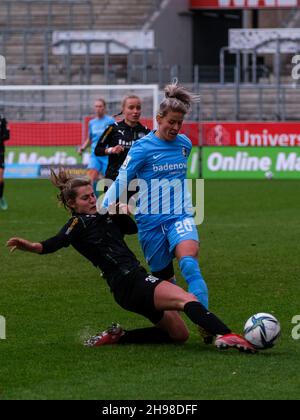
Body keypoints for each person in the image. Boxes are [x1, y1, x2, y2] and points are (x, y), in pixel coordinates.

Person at [6, 170, 256, 353]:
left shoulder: (105, 215)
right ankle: (226, 334)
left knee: (178, 335)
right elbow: (52, 244)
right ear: (72, 204)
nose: (92, 200)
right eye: (85, 198)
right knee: (187, 298)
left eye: (93, 195)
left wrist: (119, 211)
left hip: (127, 288)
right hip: (131, 280)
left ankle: (119, 336)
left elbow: (130, 229)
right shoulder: (77, 224)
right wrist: (30, 246)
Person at [102, 82, 209, 321]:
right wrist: (103, 207)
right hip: (149, 223)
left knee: (190, 263)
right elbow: (122, 180)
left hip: (179, 215)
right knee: (165, 283)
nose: (175, 127)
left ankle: (206, 323)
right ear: (159, 119)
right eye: (171, 121)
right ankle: (175, 329)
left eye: (179, 123)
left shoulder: (184, 144)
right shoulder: (142, 148)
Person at [94, 95, 150, 183]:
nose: (135, 111)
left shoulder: (146, 132)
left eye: (138, 108)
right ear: (123, 109)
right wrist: (112, 150)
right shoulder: (112, 128)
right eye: (131, 108)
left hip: (136, 181)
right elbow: (97, 150)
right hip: (113, 179)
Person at [78, 99, 115, 192]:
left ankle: (109, 202)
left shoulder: (110, 121)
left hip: (107, 155)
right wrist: (82, 148)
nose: (98, 108)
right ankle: (94, 202)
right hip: (95, 155)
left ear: (104, 108)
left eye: (100, 106)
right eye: (96, 106)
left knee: (109, 182)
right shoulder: (92, 123)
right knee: (90, 179)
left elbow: (115, 137)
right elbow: (90, 139)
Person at [0, 116, 10, 210]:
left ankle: (1, 197)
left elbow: (7, 136)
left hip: (0, 152)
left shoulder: (3, 120)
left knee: (0, 178)